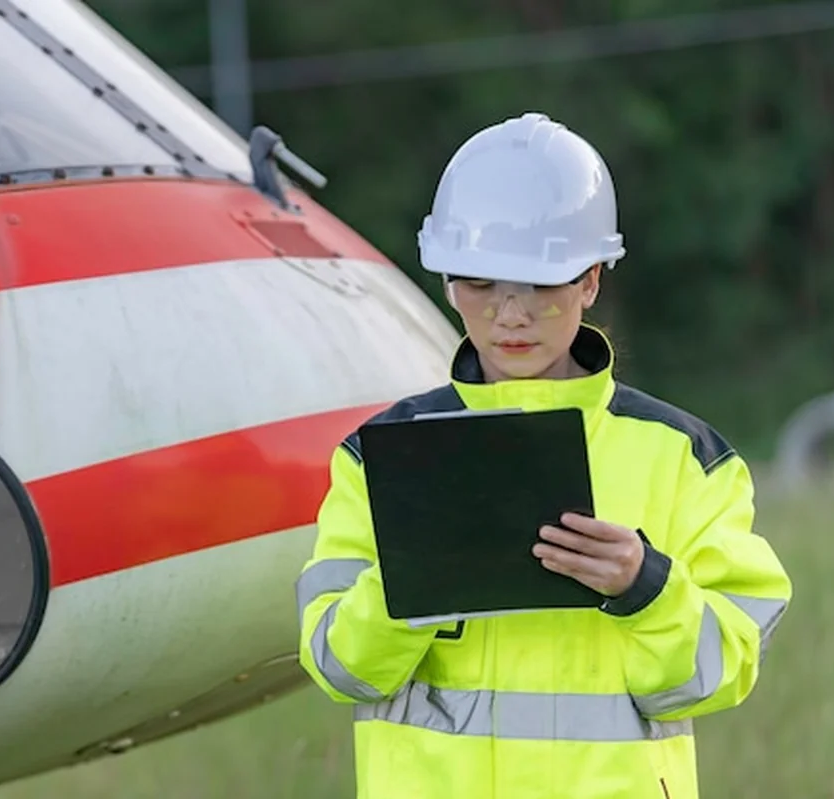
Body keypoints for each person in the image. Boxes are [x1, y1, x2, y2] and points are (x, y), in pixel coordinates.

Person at [295, 111, 793, 799]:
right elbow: (338, 668)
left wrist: (645, 586)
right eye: (481, 283)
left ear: (590, 280)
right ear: (446, 281)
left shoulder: (686, 460)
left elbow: (721, 675)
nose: (510, 314)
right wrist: (414, 575)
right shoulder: (376, 457)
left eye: (540, 284)